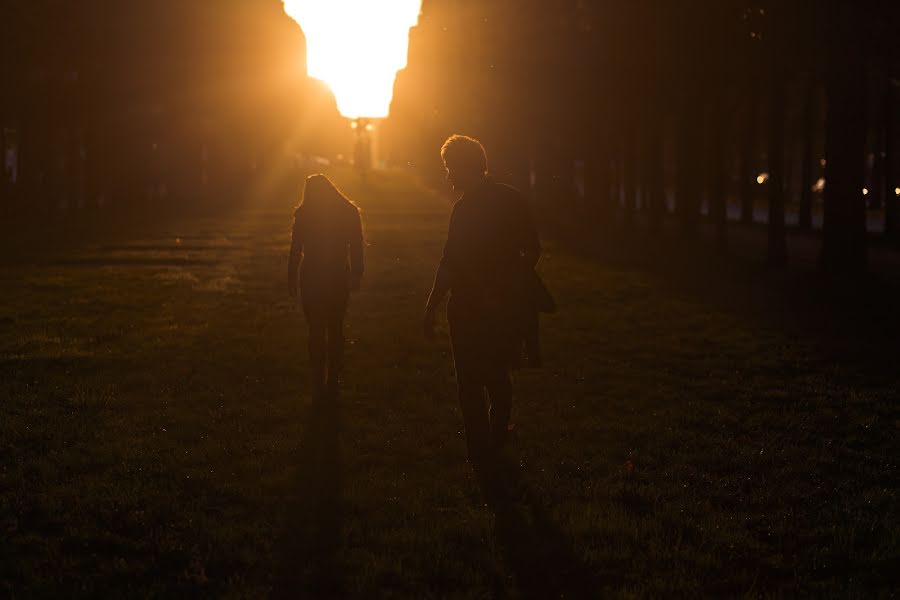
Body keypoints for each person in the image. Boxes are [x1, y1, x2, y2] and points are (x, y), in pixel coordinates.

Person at [424, 135, 542, 468]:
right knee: (490, 378)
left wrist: (432, 305)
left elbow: (450, 263)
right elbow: (532, 249)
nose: (447, 176)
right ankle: (488, 445)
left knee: (476, 382)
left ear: (467, 166)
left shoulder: (473, 209)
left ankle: (484, 449)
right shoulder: (506, 200)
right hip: (486, 307)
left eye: (450, 168)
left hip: (476, 308)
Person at [288, 174, 364, 398]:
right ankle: (332, 379)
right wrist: (357, 274)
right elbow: (357, 246)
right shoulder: (348, 212)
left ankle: (319, 379)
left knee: (316, 330)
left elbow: (295, 249)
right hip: (337, 274)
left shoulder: (304, 214)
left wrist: (291, 277)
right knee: (335, 327)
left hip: (311, 275)